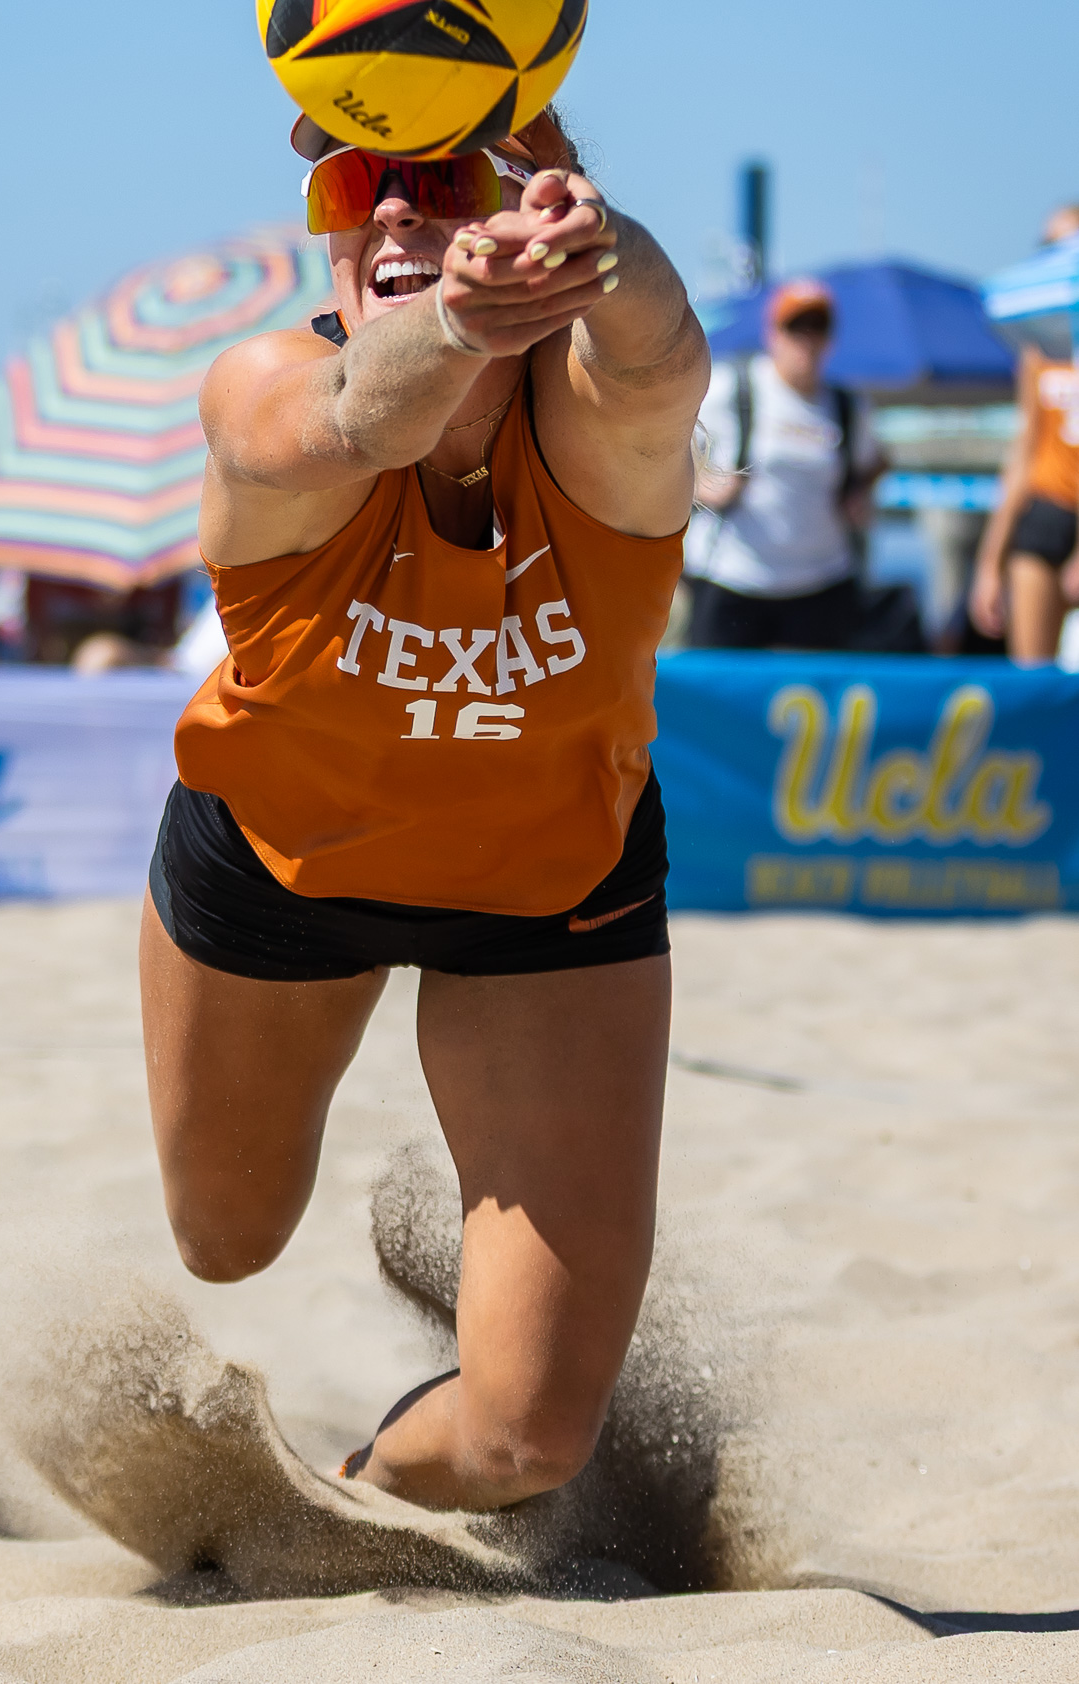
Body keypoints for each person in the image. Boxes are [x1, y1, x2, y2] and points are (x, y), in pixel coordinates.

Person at [140, 102, 708, 1513]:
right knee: (224, 1241)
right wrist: (461, 324)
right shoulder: (262, 381)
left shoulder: (594, 434)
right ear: (327, 231)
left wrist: (601, 238)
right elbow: (348, 421)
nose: (394, 212)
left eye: (443, 181)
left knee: (526, 1444)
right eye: (360, 181)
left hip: (551, 890)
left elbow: (661, 357)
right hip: (280, 865)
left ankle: (355, 1484)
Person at [684, 279, 888, 649]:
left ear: (830, 339)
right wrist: (701, 487)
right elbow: (664, 450)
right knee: (721, 701)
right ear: (772, 333)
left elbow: (877, 460)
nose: (807, 340)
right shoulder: (733, 388)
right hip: (733, 577)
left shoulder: (847, 405)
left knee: (814, 700)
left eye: (818, 327)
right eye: (796, 327)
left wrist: (859, 492)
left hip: (821, 583)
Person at [969, 205, 1079, 662]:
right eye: (1051, 247)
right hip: (1045, 510)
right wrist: (988, 564)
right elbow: (1024, 452)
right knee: (1032, 676)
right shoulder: (1039, 346)